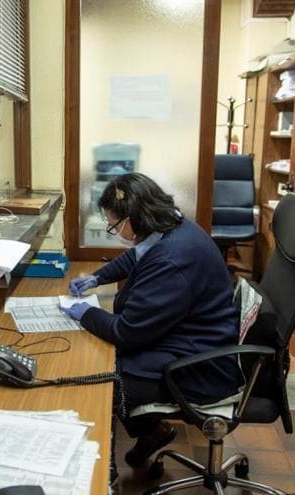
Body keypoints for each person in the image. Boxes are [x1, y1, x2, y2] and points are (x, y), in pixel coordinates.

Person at [61, 172, 241, 475]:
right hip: (191, 340)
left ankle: (107, 469)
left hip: (198, 365)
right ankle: (152, 432)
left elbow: (126, 332)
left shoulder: (173, 260)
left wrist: (85, 313)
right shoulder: (172, 228)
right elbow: (137, 257)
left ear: (134, 217)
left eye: (115, 224)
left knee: (104, 380)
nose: (114, 231)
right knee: (107, 361)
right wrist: (98, 277)